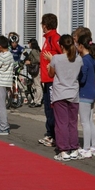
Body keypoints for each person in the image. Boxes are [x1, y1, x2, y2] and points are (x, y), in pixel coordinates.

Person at [46, 34, 83, 161]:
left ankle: (64, 150)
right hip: (73, 93)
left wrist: (49, 65)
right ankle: (74, 147)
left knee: (61, 123)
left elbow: (51, 74)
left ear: (61, 45)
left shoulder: (56, 58)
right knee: (72, 123)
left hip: (60, 93)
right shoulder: (78, 59)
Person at [38, 13, 62, 147]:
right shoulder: (48, 39)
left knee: (51, 108)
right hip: (47, 79)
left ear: (45, 25)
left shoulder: (54, 39)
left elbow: (65, 56)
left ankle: (53, 135)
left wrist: (52, 61)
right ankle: (50, 133)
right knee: (48, 107)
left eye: (42, 24)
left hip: (52, 80)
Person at [76, 35, 95, 158]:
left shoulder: (84, 60)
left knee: (84, 122)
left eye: (77, 45)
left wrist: (76, 79)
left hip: (84, 93)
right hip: (93, 92)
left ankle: (86, 148)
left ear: (81, 46)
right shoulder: (92, 59)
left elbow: (82, 78)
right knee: (90, 121)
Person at [24, 38, 43, 107]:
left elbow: (38, 60)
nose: (28, 44)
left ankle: (38, 101)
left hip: (37, 70)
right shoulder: (37, 50)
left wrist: (30, 62)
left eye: (29, 43)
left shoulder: (34, 51)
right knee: (35, 85)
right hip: (38, 70)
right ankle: (35, 100)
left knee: (37, 85)